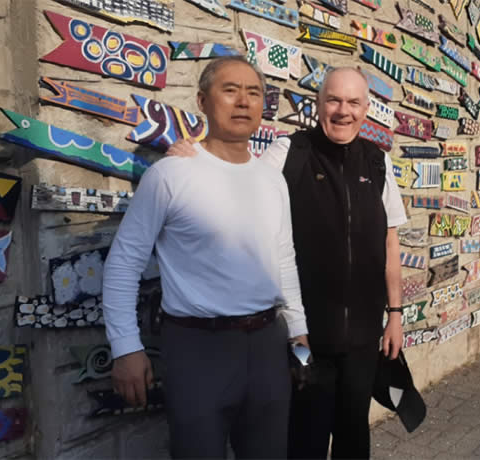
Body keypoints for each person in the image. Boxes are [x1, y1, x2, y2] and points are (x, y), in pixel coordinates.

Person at [166, 67, 408, 459]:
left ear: (366, 109)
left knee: (353, 438)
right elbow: (236, 178)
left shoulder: (378, 163)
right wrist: (195, 158)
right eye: (333, 100)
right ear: (317, 105)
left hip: (364, 337)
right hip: (304, 338)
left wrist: (395, 314)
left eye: (353, 102)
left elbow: (390, 243)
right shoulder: (289, 152)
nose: (343, 111)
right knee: (304, 441)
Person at [101, 56, 307, 459]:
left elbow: (283, 257)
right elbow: (124, 261)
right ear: (202, 101)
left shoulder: (271, 179)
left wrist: (299, 332)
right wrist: (125, 346)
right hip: (197, 348)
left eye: (254, 93)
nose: (244, 102)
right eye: (230, 91)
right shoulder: (171, 176)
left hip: (267, 345)